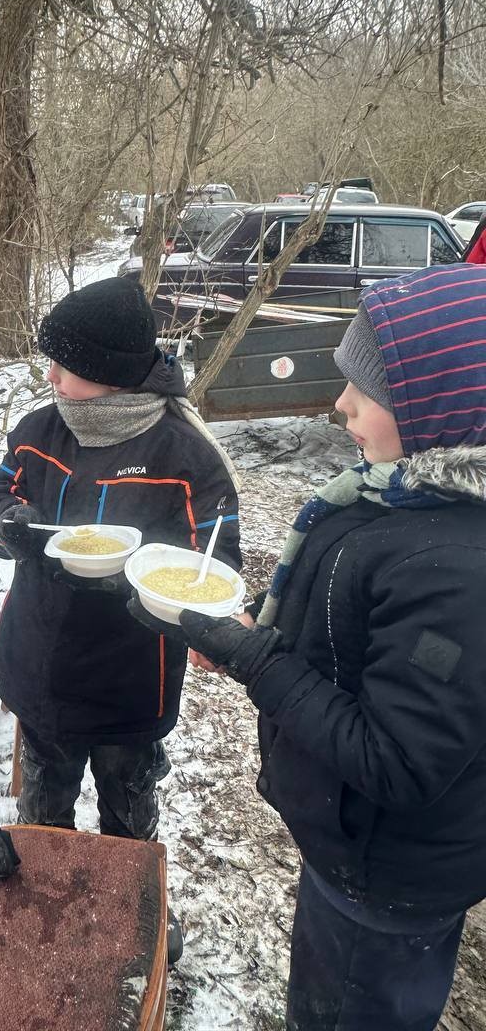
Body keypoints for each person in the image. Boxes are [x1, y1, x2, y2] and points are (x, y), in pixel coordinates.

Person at [137, 262, 486, 1030]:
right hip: (356, 857)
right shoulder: (406, 494)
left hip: (389, 877)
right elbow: (360, 626)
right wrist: (261, 622)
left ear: (443, 409)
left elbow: (398, 761)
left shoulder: (457, 569)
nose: (341, 405)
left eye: (368, 392)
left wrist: (258, 660)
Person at [0, 276, 240, 960]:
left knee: (128, 814)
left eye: (67, 365)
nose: (52, 376)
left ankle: (137, 915)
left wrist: (147, 583)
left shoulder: (187, 456)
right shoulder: (37, 431)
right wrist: (14, 527)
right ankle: (44, 916)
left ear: (113, 374)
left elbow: (216, 563)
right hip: (40, 670)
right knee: (44, 816)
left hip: (131, 684)